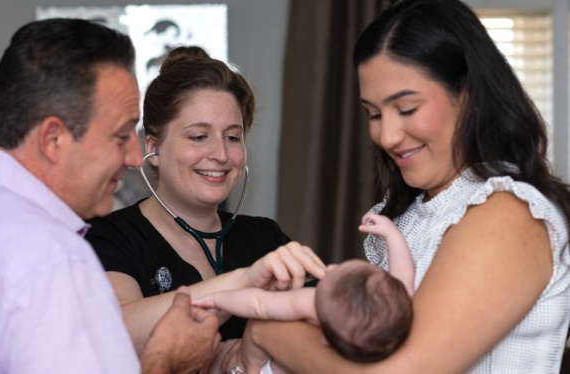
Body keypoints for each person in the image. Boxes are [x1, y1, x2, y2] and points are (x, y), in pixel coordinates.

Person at [225, 0, 570, 373]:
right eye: (373, 114)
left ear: (468, 94)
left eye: (406, 108)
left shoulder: (507, 214)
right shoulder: (410, 216)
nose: (386, 136)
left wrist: (265, 332)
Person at [0, 18, 222, 374]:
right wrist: (165, 361)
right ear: (53, 139)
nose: (136, 159)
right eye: (120, 136)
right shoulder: (52, 260)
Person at [84, 45, 327, 354]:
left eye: (232, 137)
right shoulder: (111, 237)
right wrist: (242, 282)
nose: (221, 155)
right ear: (153, 148)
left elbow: (328, 324)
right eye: (199, 136)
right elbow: (115, 329)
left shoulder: (266, 238)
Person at [193, 212, 414, 371]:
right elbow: (404, 274)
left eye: (334, 273)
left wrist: (215, 298)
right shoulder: (392, 311)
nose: (332, 267)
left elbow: (257, 303)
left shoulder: (313, 303)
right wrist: (392, 234)